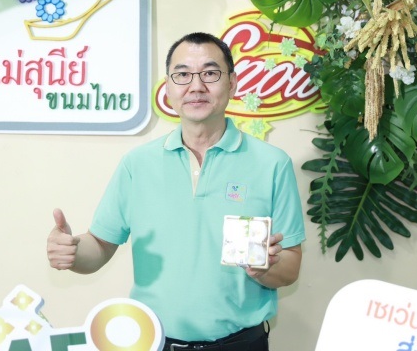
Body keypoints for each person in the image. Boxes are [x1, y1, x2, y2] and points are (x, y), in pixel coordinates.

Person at [47, 32, 305, 351]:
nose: (196, 86)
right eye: (182, 75)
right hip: (154, 342)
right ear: (168, 88)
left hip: (241, 344)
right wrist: (72, 251)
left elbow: (291, 265)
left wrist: (265, 268)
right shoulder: (137, 164)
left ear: (233, 83)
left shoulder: (272, 163)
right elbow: (99, 245)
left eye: (210, 73)